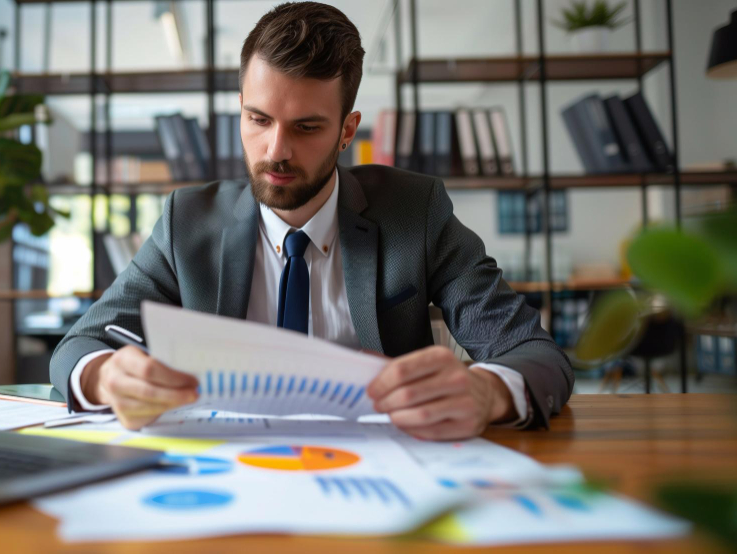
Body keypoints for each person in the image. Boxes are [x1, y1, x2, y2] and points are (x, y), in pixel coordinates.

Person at [50, 1, 572, 439]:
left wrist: (488, 391)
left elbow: (534, 353)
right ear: (240, 110)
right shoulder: (186, 221)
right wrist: (104, 376)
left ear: (347, 131)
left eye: (306, 127)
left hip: (383, 468)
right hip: (225, 465)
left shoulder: (415, 211)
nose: (275, 150)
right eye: (258, 119)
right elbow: (78, 347)